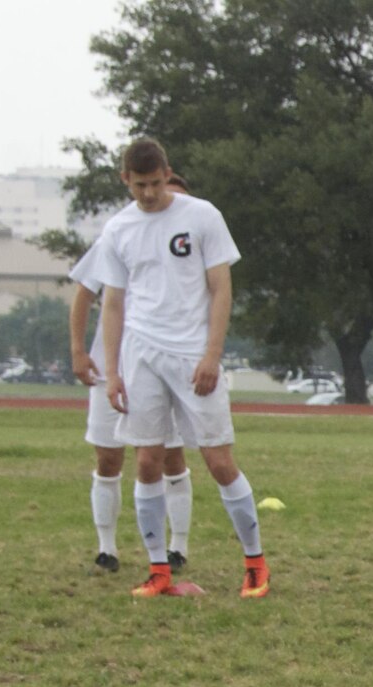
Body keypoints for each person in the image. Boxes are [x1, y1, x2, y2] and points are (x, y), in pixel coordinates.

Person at [98, 139, 270, 599]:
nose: (149, 194)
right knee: (148, 461)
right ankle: (159, 571)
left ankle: (255, 563)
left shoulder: (202, 216)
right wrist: (112, 372)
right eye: (140, 186)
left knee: (218, 460)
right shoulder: (117, 229)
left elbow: (221, 288)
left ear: (167, 173)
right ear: (125, 181)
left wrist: (212, 354)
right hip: (141, 357)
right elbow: (112, 303)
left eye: (155, 184)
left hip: (193, 356)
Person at [70, 172, 195, 575]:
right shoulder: (119, 233)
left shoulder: (193, 243)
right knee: (108, 458)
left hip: (166, 366)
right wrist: (77, 350)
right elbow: (85, 295)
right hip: (114, 366)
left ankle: (176, 547)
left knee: (168, 457)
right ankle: (107, 549)